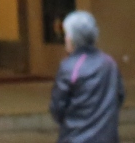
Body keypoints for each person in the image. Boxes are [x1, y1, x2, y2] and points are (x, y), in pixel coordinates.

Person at [50, 11, 125, 143]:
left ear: (72, 38)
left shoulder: (69, 66)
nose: (65, 38)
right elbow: (119, 95)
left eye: (67, 34)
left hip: (75, 137)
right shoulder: (109, 63)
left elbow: (58, 106)